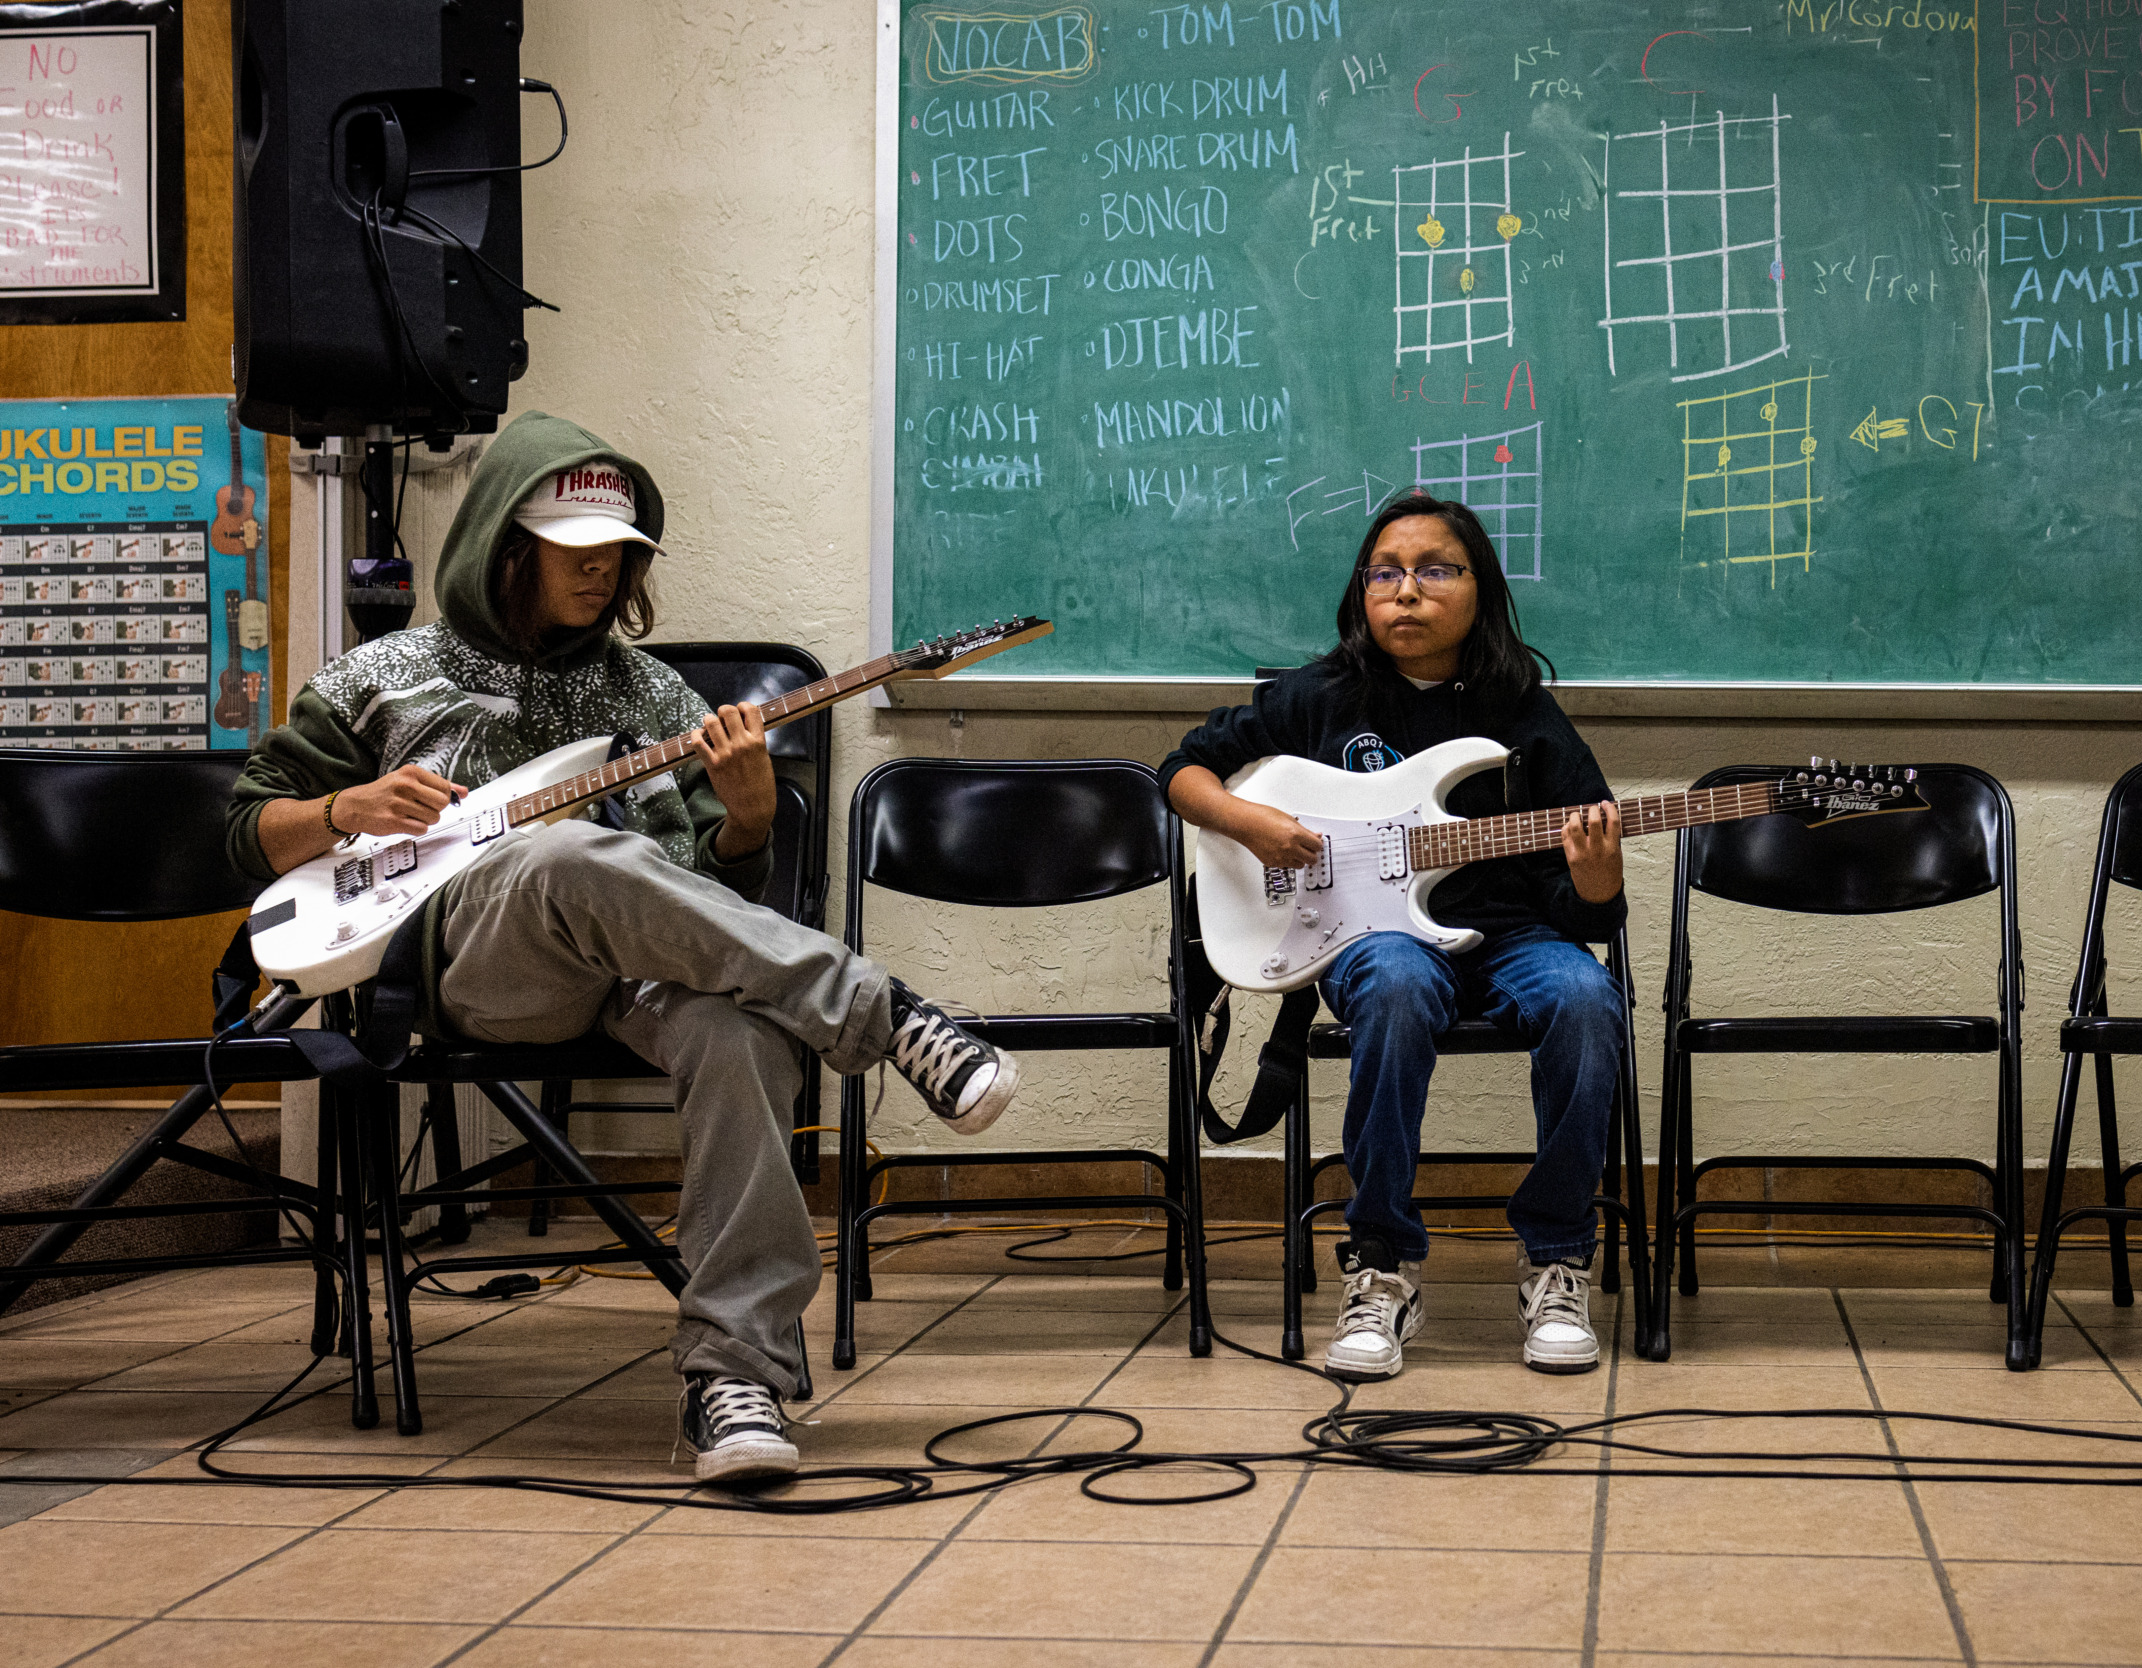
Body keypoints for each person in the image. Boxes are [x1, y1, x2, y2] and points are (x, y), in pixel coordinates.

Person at [227, 412, 1018, 1483]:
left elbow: (714, 908)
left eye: (618, 554)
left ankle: (735, 1378)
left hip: (638, 977)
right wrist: (344, 808)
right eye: (574, 553)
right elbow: (244, 835)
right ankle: (884, 1015)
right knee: (563, 861)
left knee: (742, 1031)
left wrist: (746, 821)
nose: (601, 573)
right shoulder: (382, 674)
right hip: (472, 971)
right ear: (502, 547)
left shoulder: (656, 697)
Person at [1161, 494, 1626, 1380]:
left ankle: (1557, 1258)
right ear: (1362, 593)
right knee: (1396, 984)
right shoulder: (1319, 696)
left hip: (1513, 937)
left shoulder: (1521, 710)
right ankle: (1380, 1264)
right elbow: (1179, 770)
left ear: (1479, 590)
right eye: (1386, 573)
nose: (1406, 592)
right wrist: (1249, 823)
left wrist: (1597, 881)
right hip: (1380, 941)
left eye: (1435, 571)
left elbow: (1586, 911)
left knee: (1585, 996)